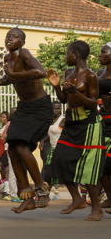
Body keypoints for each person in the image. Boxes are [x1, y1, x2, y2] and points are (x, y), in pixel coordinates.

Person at [0, 27, 52, 212]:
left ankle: (42, 188)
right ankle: (26, 195)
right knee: (13, 150)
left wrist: (13, 75)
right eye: (8, 35)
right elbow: (11, 78)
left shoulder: (25, 54)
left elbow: (40, 72)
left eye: (15, 36)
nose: (10, 38)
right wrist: (0, 81)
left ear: (22, 42)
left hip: (40, 108)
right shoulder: (7, 59)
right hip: (24, 109)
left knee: (22, 147)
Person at [47, 40, 105, 221]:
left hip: (89, 123)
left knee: (88, 168)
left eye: (68, 53)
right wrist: (57, 86)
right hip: (71, 121)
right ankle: (77, 199)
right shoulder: (68, 73)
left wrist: (77, 93)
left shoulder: (90, 76)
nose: (66, 57)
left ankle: (96, 208)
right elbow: (64, 100)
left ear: (76, 55)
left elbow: (94, 103)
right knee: (59, 159)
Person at [38, 101, 64, 205]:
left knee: (66, 174)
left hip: (61, 150)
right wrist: (44, 141)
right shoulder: (51, 121)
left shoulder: (63, 121)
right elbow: (51, 134)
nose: (56, 110)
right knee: (48, 173)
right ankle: (46, 195)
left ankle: (78, 198)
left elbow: (67, 134)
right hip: (52, 150)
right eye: (54, 108)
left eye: (58, 108)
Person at [97, 42, 111, 211]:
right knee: (102, 162)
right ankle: (109, 197)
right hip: (102, 120)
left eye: (103, 52)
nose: (100, 55)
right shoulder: (99, 74)